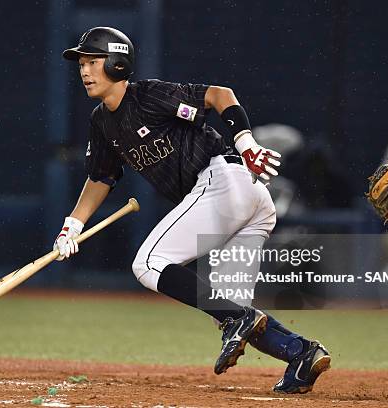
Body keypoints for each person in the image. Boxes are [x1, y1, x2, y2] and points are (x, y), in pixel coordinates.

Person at [54, 26, 331, 394]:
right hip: (242, 199)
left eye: (93, 61)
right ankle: (302, 354)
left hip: (224, 180)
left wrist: (245, 140)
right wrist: (72, 225)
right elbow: (101, 177)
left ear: (118, 63)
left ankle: (238, 318)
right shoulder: (102, 122)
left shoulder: (150, 95)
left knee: (148, 264)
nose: (84, 71)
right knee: (229, 308)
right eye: (82, 64)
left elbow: (219, 95)